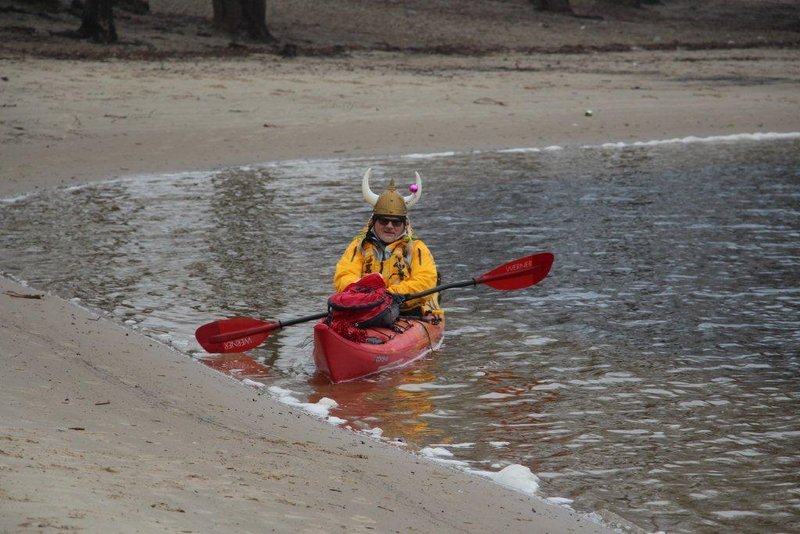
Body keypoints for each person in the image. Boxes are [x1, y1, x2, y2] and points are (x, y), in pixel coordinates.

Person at [334, 168, 443, 318]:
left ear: (404, 225)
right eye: (384, 220)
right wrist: (362, 293)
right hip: (365, 306)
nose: (389, 226)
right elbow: (344, 275)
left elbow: (425, 281)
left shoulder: (417, 249)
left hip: (406, 311)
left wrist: (390, 294)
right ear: (374, 222)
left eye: (396, 222)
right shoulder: (358, 247)